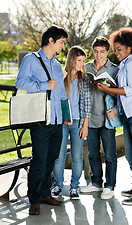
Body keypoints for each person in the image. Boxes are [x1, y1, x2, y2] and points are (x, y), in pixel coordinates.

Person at [95, 27, 132, 205]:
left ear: (129, 48)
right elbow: (122, 94)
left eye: (119, 49)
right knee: (130, 154)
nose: (116, 52)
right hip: (130, 116)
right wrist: (108, 93)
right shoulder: (123, 67)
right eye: (115, 49)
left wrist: (107, 89)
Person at [16, 25, 68, 215]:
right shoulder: (31, 59)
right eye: (61, 42)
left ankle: (45, 194)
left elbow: (61, 92)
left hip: (56, 120)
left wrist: (66, 115)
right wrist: (43, 85)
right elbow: (20, 82)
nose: (63, 46)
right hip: (40, 120)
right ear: (51, 41)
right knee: (39, 160)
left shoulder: (56, 63)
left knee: (51, 158)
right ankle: (35, 199)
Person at [80, 36, 119, 200]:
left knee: (110, 155)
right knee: (93, 154)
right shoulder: (86, 67)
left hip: (107, 119)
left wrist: (116, 110)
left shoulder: (114, 70)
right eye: (95, 51)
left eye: (102, 52)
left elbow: (121, 94)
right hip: (91, 118)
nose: (98, 55)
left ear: (107, 52)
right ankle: (96, 183)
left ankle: (110, 186)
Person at [51, 46, 91, 200]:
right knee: (59, 156)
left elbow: (87, 104)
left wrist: (85, 125)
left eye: (83, 61)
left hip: (78, 123)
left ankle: (74, 187)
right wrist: (61, 77)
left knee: (76, 156)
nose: (81, 63)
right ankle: (58, 185)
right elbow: (54, 98)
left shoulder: (84, 80)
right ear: (72, 59)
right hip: (61, 122)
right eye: (79, 60)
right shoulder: (62, 77)